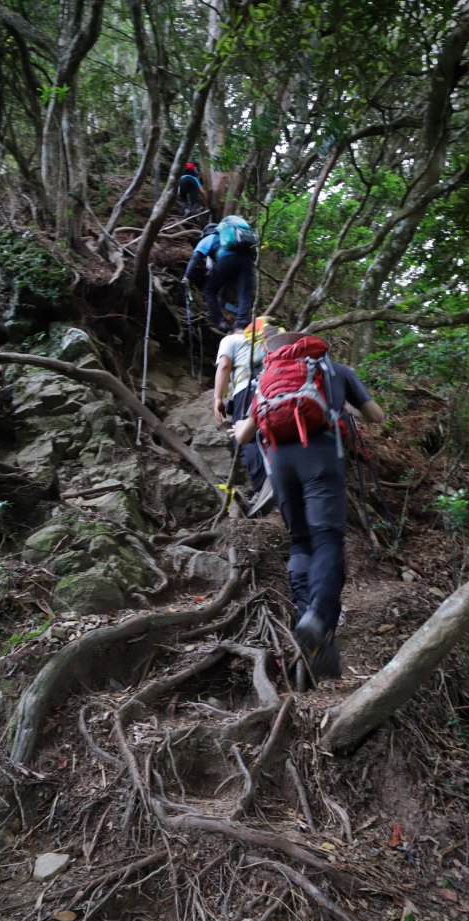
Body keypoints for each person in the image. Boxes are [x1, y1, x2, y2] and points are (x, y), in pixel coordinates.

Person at [230, 328, 384, 676]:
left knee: (300, 541)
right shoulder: (336, 370)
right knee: (327, 539)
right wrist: (346, 406)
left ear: (276, 353)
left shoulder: (266, 378)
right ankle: (318, 617)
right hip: (321, 457)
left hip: (281, 466)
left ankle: (309, 627)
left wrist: (238, 426)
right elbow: (376, 415)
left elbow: (244, 434)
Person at [213, 317, 277, 517]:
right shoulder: (268, 343)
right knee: (267, 435)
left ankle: (263, 487)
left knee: (244, 438)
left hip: (249, 389)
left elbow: (224, 365)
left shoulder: (230, 340)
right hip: (276, 390)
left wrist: (218, 398)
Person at [182, 215, 256, 331]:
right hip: (247, 261)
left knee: (210, 291)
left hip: (226, 260)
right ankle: (240, 325)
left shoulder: (209, 238)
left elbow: (196, 257)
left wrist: (187, 276)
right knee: (244, 293)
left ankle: (220, 322)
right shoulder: (235, 239)